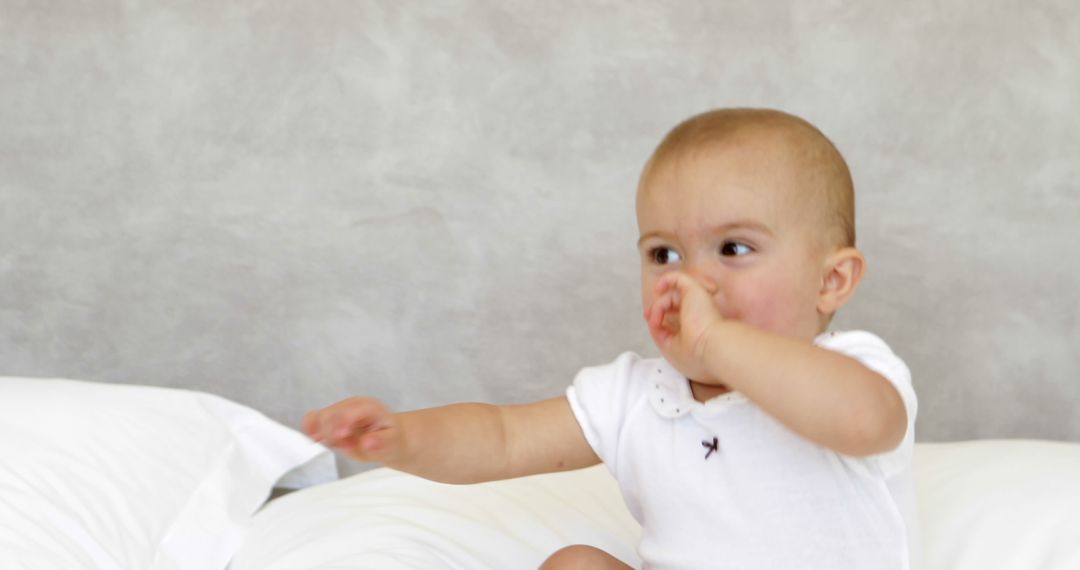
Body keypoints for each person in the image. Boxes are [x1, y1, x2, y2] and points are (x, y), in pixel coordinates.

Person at [303, 108, 919, 569]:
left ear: (832, 281)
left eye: (735, 248)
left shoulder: (849, 369)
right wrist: (404, 437)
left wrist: (718, 342)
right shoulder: (637, 393)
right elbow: (503, 439)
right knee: (575, 564)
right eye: (663, 253)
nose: (690, 278)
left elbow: (866, 422)